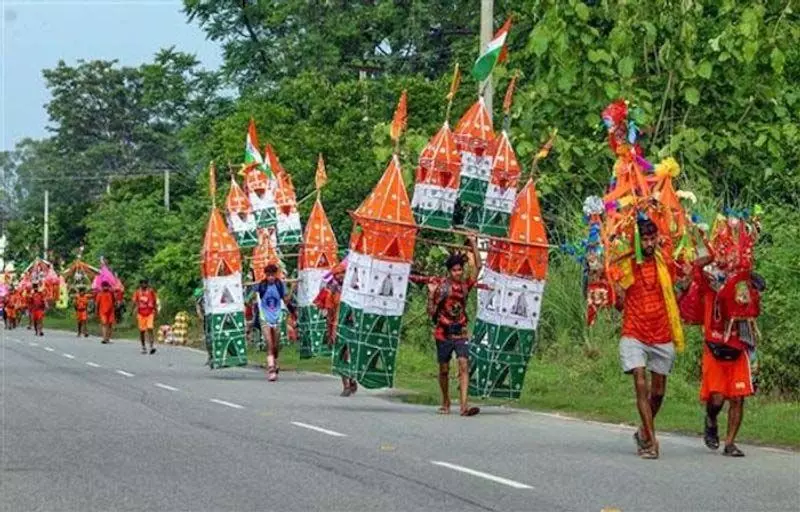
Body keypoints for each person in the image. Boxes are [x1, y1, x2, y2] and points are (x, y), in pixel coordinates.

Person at [617, 217, 683, 460]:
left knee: (658, 393)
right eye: (644, 239)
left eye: (652, 238)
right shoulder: (626, 264)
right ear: (637, 240)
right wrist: (617, 295)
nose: (649, 243)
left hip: (662, 332)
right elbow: (617, 303)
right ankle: (651, 443)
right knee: (640, 380)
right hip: (634, 331)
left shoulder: (665, 261)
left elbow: (683, 280)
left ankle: (643, 431)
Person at [412, 237, 483, 417]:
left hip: (461, 332)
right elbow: (431, 313)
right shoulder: (441, 288)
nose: (458, 273)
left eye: (460, 269)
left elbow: (478, 267)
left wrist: (473, 243)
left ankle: (464, 406)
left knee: (463, 365)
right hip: (443, 333)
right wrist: (430, 295)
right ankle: (445, 400)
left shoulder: (466, 286)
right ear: (450, 271)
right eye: (455, 270)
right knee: (444, 370)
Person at [313, 261, 357, 396]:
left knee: (350, 354)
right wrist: (329, 332)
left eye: (342, 273)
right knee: (340, 355)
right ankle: (346, 385)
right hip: (337, 327)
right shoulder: (331, 290)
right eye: (337, 274)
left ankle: (352, 378)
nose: (340, 276)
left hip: (352, 327)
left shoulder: (355, 289)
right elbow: (329, 311)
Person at [253, 264, 295, 381]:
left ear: (276, 275)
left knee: (276, 345)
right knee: (269, 343)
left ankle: (274, 361)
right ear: (265, 275)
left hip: (277, 318)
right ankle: (271, 369)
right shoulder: (261, 285)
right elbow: (249, 297)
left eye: (272, 275)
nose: (270, 278)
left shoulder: (280, 285)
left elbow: (286, 300)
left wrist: (292, 289)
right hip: (264, 317)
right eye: (268, 275)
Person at [132, 279, 158, 354]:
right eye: (142, 284)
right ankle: (143, 347)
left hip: (150, 313)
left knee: (150, 328)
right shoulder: (137, 292)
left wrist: (156, 311)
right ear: (140, 285)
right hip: (141, 313)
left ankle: (151, 346)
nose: (144, 285)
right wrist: (132, 311)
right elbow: (134, 302)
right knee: (142, 331)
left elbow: (154, 301)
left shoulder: (151, 291)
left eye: (145, 284)